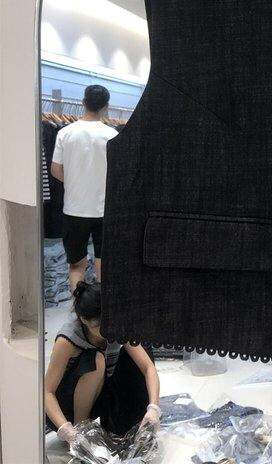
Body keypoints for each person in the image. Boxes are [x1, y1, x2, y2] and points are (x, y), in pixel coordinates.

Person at [44, 282, 161, 446]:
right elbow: (47, 391)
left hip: (100, 397)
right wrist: (66, 429)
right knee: (96, 359)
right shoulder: (68, 338)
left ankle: (123, 423)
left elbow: (148, 368)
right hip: (66, 410)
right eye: (99, 326)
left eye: (109, 324)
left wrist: (154, 407)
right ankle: (83, 431)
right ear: (84, 320)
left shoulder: (117, 327)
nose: (106, 331)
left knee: (141, 350)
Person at [50, 84, 118, 290]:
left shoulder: (65, 133)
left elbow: (55, 170)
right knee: (103, 263)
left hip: (74, 209)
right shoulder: (113, 135)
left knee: (76, 266)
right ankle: (103, 306)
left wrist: (75, 181)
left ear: (83, 103)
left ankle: (79, 308)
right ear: (106, 107)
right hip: (105, 209)